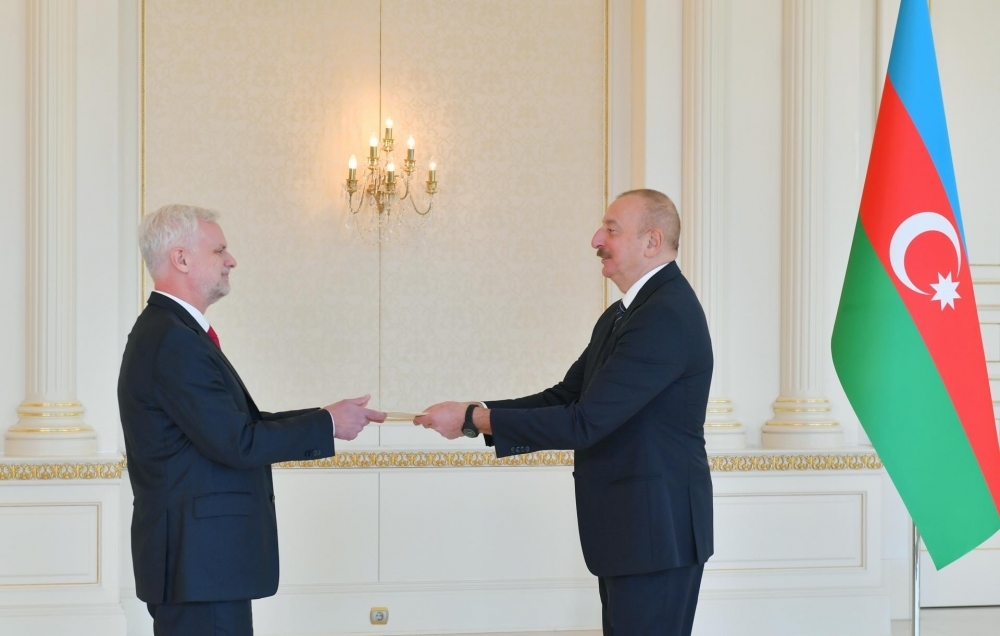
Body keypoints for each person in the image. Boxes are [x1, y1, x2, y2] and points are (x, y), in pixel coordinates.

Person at [415, 189, 713, 636]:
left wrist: (474, 420)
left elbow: (584, 422)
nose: (596, 239)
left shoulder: (665, 314)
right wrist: (475, 412)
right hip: (635, 534)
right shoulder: (622, 315)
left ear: (652, 241)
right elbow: (565, 397)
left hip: (657, 535)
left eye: (611, 230)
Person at [118, 204, 386, 636]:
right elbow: (237, 442)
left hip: (200, 567)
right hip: (198, 567)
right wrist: (327, 425)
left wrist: (327, 417)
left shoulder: (173, 332)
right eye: (219, 250)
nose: (231, 260)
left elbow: (238, 424)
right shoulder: (173, 340)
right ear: (181, 258)